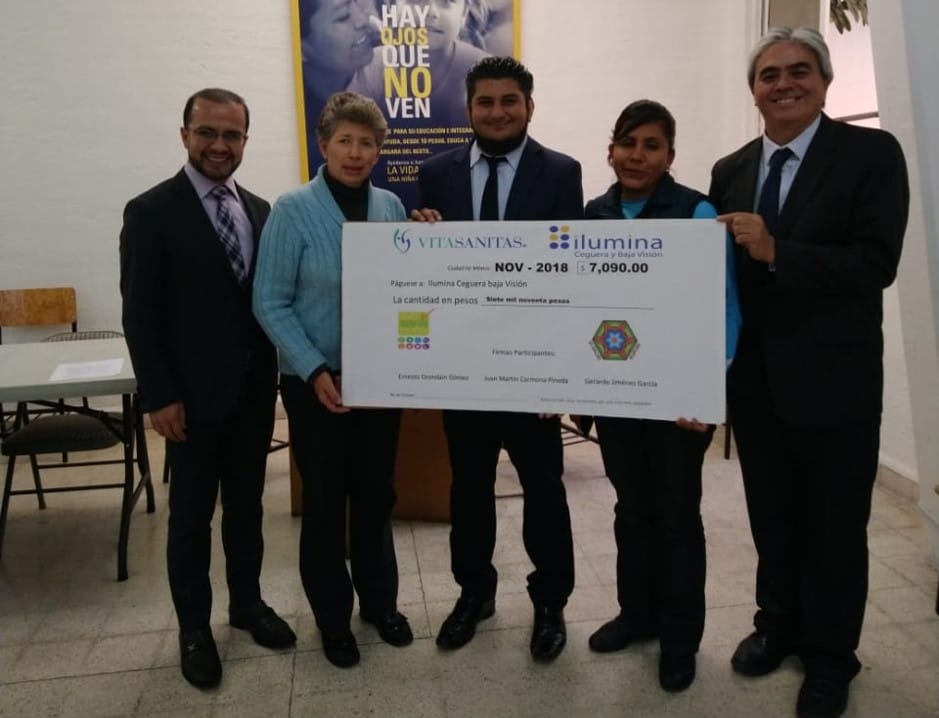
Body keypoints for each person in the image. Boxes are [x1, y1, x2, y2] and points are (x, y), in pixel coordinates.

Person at [709, 27, 908, 718]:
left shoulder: (870, 155)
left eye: (799, 71)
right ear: (753, 90)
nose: (783, 84)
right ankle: (777, 626)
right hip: (756, 385)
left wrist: (778, 251)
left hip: (835, 385)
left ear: (823, 83)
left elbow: (875, 262)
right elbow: (718, 286)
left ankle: (829, 658)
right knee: (772, 518)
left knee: (834, 528)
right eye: (769, 75)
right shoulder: (730, 168)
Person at [119, 88, 296, 690]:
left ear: (245, 139)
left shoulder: (261, 210)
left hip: (253, 394)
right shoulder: (150, 212)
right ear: (185, 135)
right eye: (207, 133)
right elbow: (140, 314)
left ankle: (247, 604)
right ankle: (194, 628)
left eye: (232, 135)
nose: (220, 145)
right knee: (191, 519)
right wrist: (159, 395)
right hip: (188, 402)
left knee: (246, 508)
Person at [410, 56, 582, 662]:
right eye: (485, 102)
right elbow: (426, 269)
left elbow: (571, 274)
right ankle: (474, 593)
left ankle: (550, 601)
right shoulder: (436, 173)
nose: (497, 112)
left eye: (510, 101)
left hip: (534, 369)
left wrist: (562, 372)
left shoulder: (561, 172)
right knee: (469, 489)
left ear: (529, 106)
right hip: (465, 368)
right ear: (468, 109)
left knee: (544, 490)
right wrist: (419, 233)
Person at [585, 100, 741, 692]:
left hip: (679, 401)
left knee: (676, 515)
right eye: (627, 143)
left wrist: (706, 388)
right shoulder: (593, 215)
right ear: (611, 150)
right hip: (617, 394)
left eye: (651, 145)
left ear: (670, 156)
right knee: (631, 510)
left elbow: (725, 306)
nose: (637, 155)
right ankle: (637, 615)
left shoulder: (697, 212)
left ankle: (679, 640)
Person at [253, 91, 412, 669]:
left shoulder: (391, 207)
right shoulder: (292, 209)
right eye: (344, 140)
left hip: (379, 381)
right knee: (325, 503)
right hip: (314, 385)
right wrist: (315, 368)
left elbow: (408, 289)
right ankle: (332, 619)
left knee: (375, 495)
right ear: (324, 145)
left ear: (378, 151)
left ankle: (380, 604)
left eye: (367, 142)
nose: (355, 152)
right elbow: (269, 301)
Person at [349, 0, 490, 128]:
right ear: (392, 7)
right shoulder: (372, 66)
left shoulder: (486, 71)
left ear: (464, 13)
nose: (431, 12)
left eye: (446, 1)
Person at [298, 0, 380, 177]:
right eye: (343, 17)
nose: (363, 19)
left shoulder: (384, 68)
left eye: (358, 5)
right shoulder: (305, 134)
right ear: (302, 48)